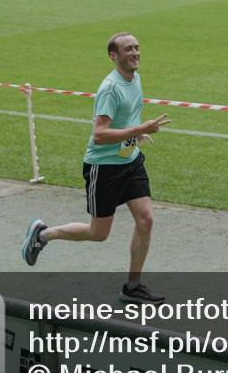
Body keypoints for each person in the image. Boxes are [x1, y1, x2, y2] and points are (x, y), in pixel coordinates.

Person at [21, 33, 169, 304]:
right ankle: (43, 234)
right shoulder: (110, 88)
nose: (135, 53)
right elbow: (99, 134)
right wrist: (140, 128)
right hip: (105, 168)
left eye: (137, 47)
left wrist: (136, 135)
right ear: (114, 56)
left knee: (145, 220)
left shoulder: (135, 78)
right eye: (128, 49)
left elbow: (125, 119)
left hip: (131, 161)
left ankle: (132, 287)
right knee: (98, 233)